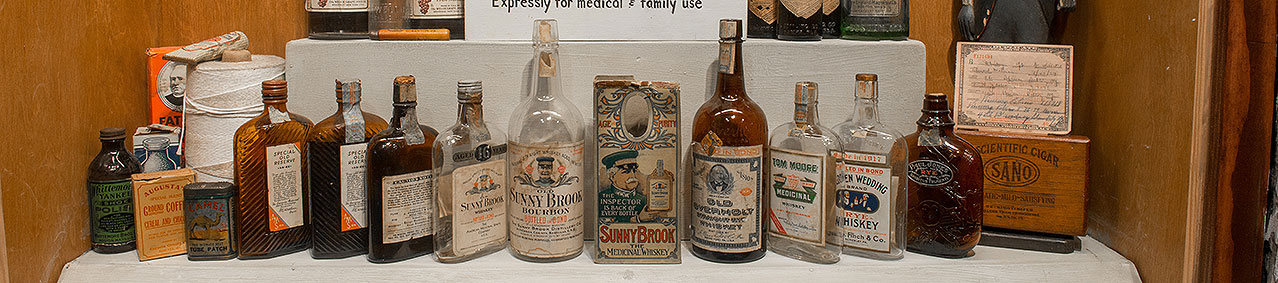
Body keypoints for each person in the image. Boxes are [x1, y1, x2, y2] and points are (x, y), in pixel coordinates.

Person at [598, 151, 647, 223]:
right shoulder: (600, 198)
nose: (633, 176)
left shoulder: (644, 200)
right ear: (612, 176)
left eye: (634, 171)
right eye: (626, 172)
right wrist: (637, 219)